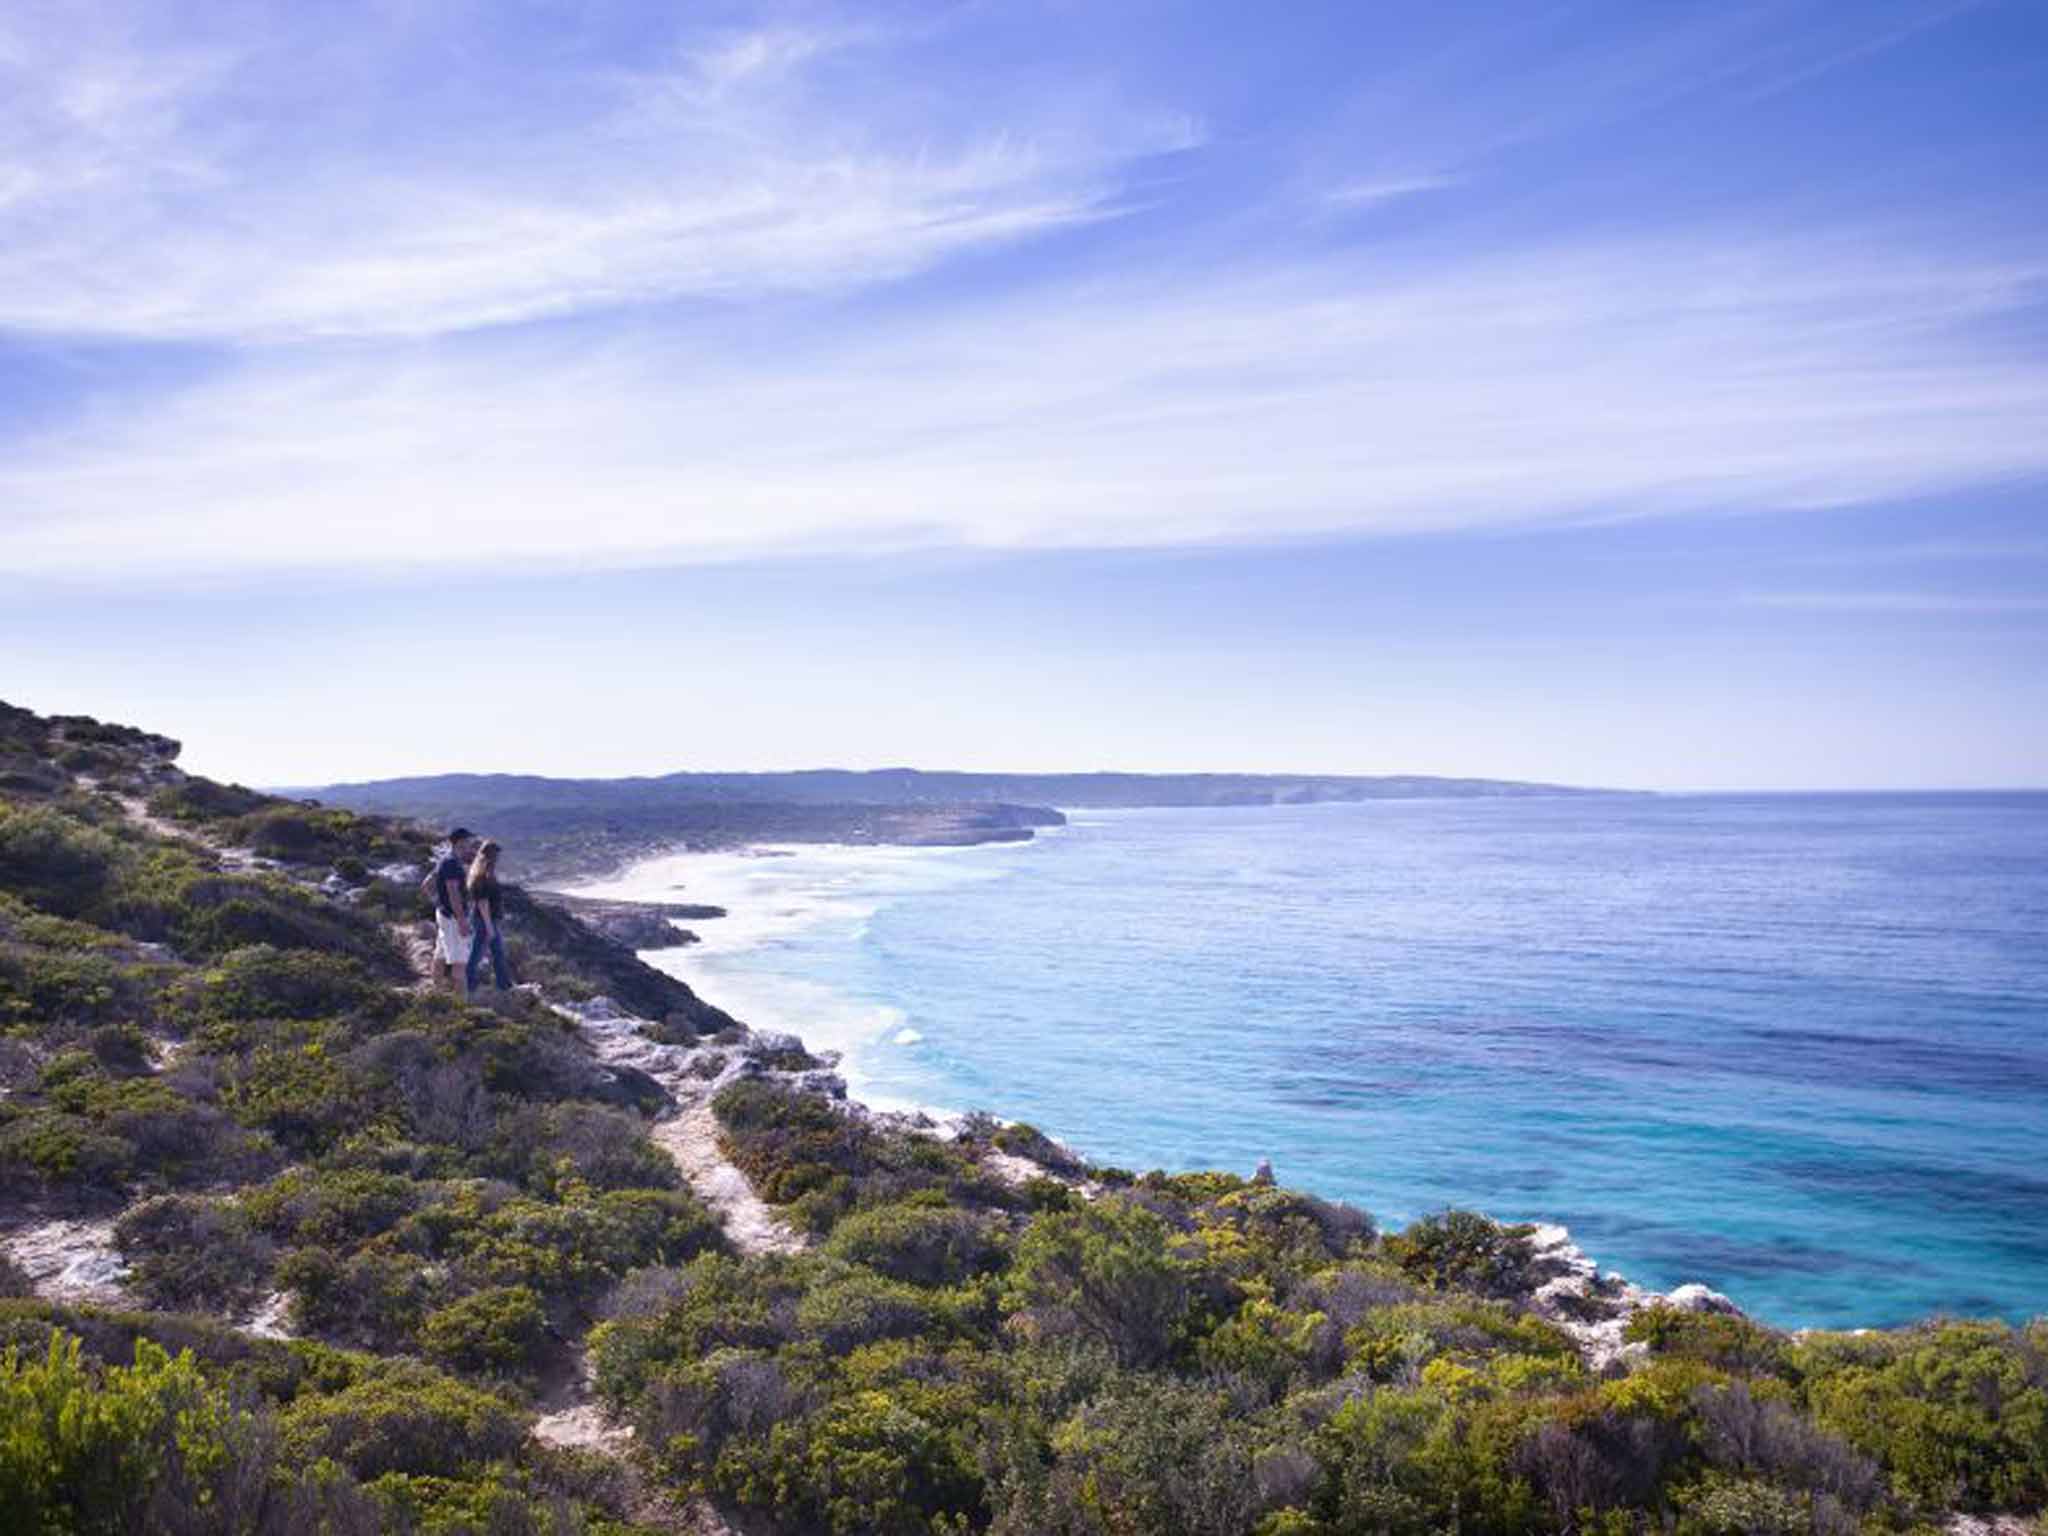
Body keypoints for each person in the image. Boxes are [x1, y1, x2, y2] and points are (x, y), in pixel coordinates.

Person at [426, 827, 478, 996]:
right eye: (468, 842)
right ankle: (461, 1007)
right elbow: (453, 893)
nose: (471, 846)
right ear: (460, 843)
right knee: (459, 964)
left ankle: (437, 992)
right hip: (454, 919)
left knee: (441, 954)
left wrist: (438, 903)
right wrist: (461, 920)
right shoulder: (452, 864)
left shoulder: (445, 861)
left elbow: (426, 885)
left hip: (444, 915)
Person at [465, 838, 514, 993]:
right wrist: (489, 926)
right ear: (491, 857)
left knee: (496, 952)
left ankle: (504, 985)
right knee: (478, 955)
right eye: (496, 856)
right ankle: (470, 986)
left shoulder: (482, 874)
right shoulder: (482, 877)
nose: (498, 859)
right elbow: (482, 903)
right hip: (485, 921)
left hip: (487, 920)